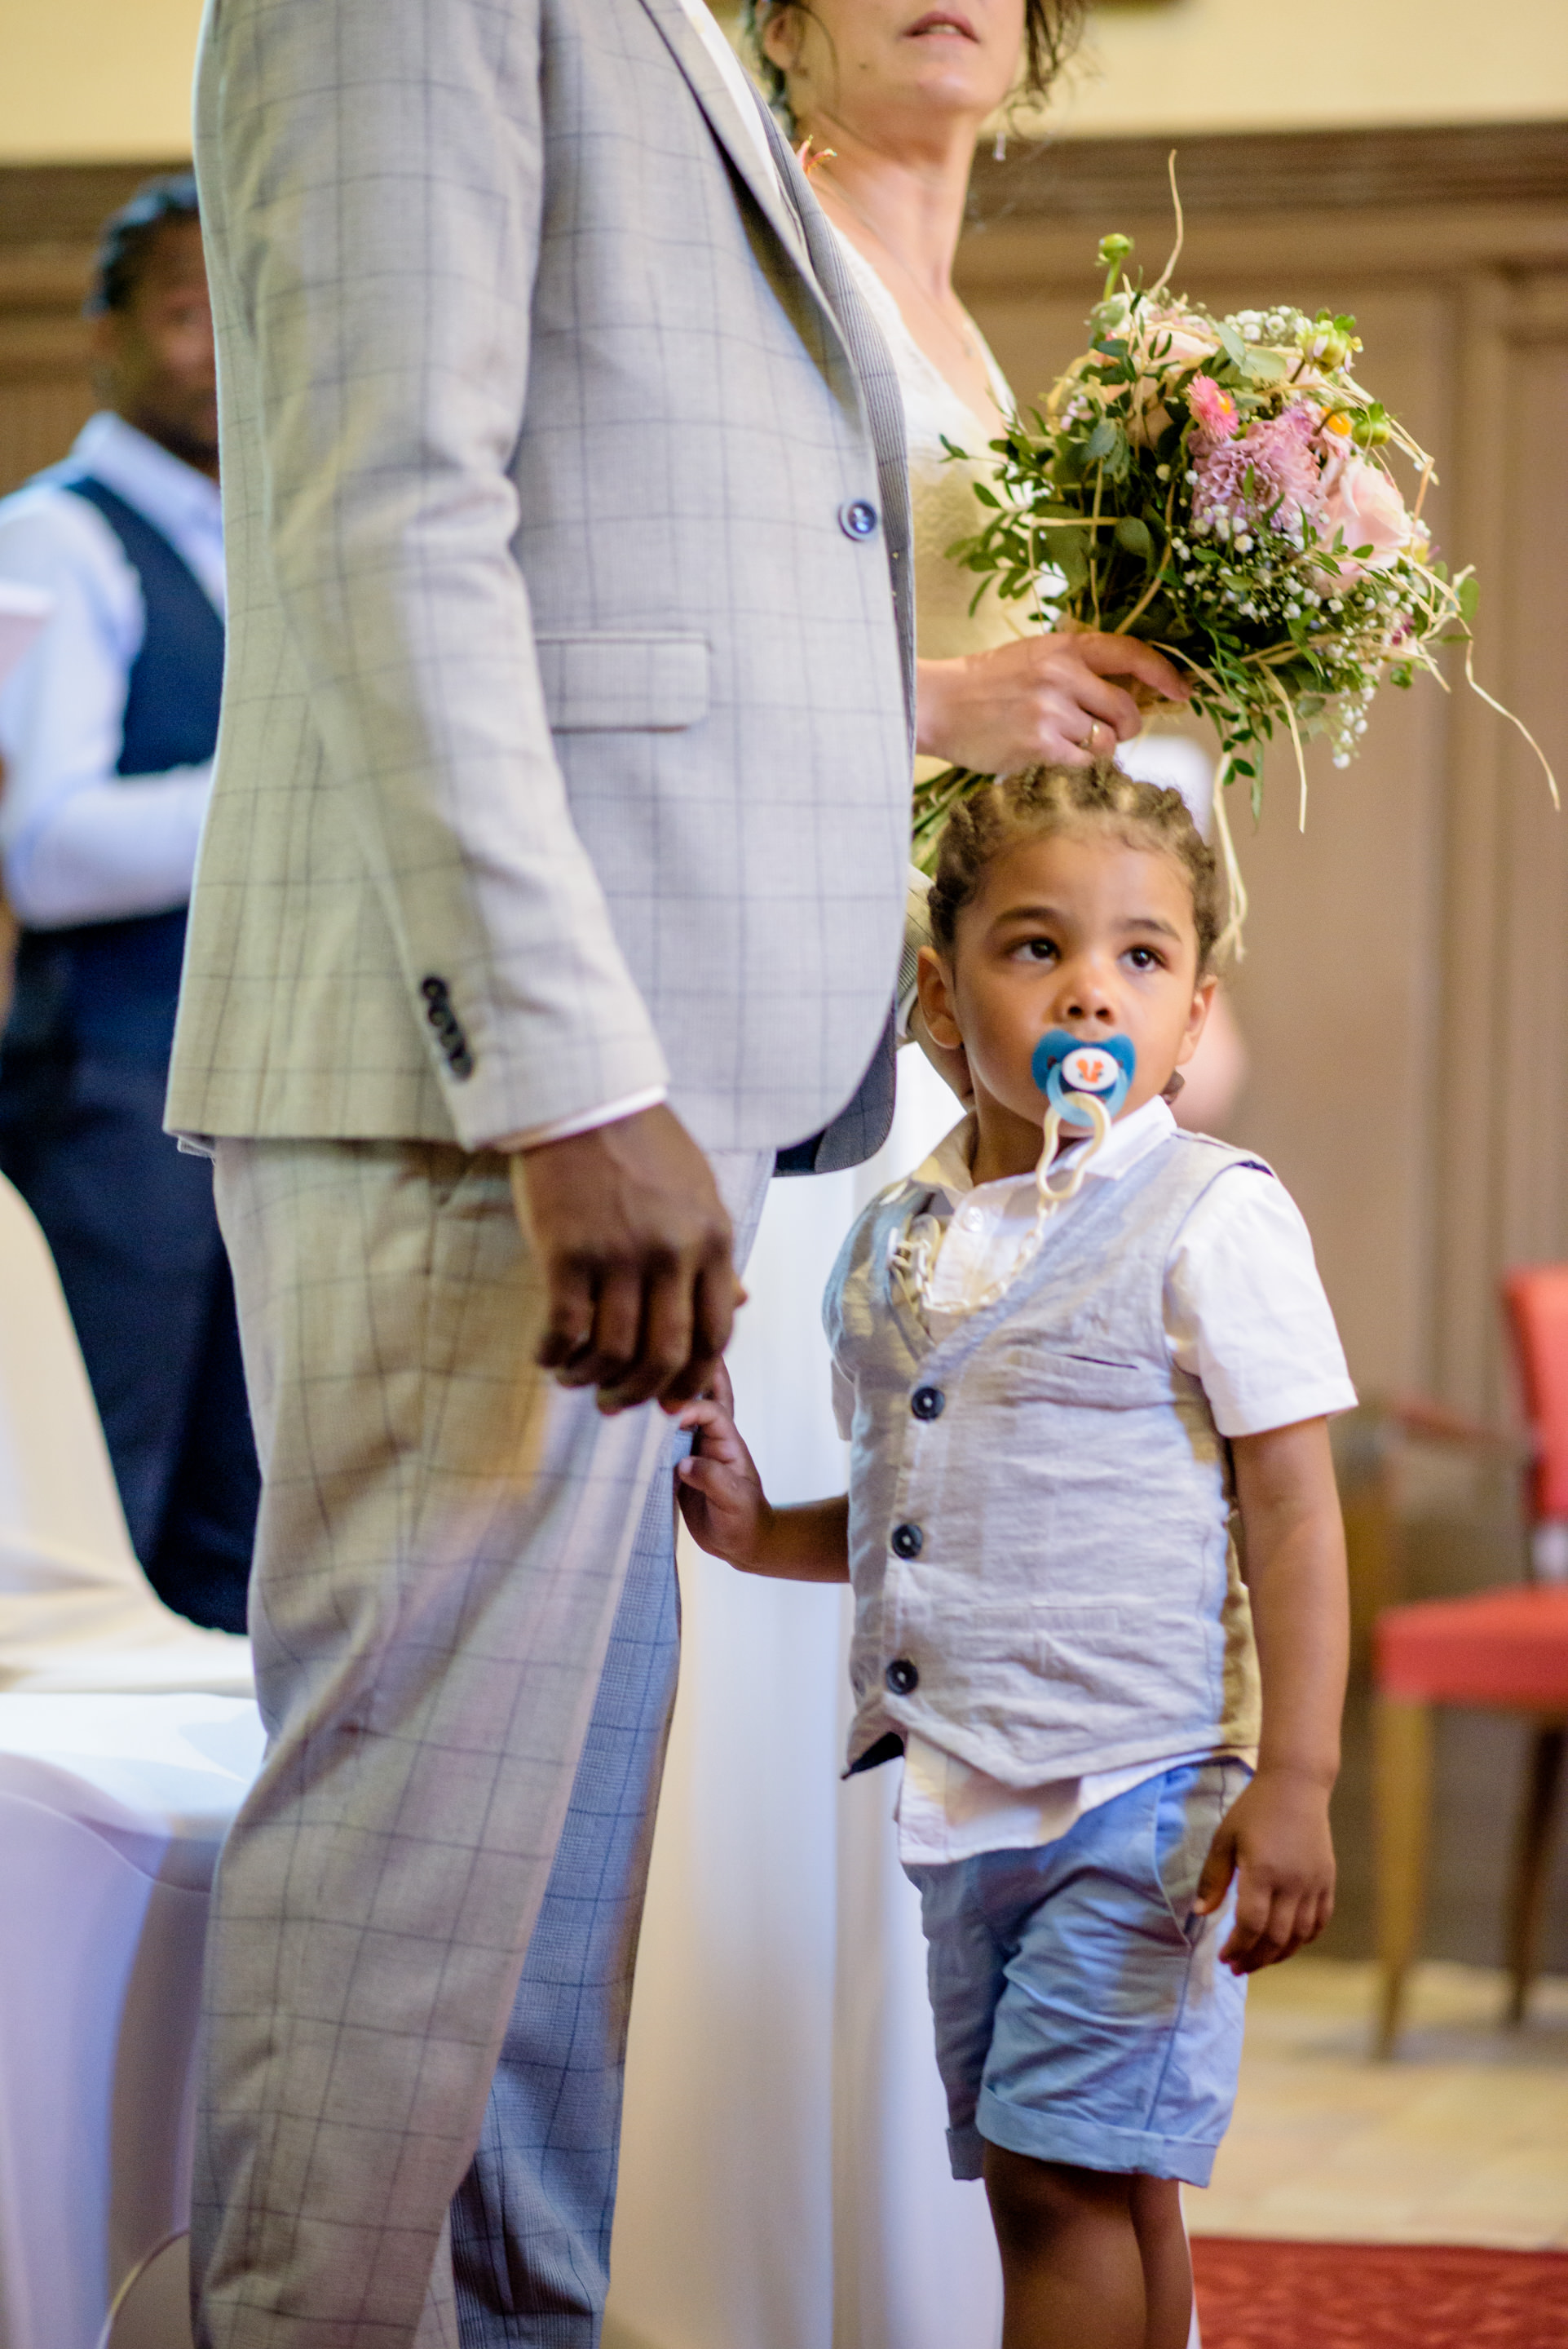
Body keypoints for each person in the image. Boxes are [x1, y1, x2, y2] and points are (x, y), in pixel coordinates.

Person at [170, 2, 921, 2342]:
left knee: (525, 1963)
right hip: (485, 1103)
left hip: (646, 1092)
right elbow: (391, 513)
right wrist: (564, 1080)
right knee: (415, 1912)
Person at [674, 761, 1354, 2349]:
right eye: (1033, 947)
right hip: (968, 1799)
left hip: (1146, 1787)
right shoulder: (897, 1238)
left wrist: (1300, 1778)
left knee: (1054, 2184)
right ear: (935, 991)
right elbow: (929, 1514)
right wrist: (752, 1524)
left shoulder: (1208, 1218)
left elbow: (1293, 1506)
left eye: (1139, 958)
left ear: (1193, 1016)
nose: (1087, 993)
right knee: (1104, 2181)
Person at [0, 174, 258, 1635]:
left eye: (241, 310)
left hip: (241, 1097)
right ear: (101, 332)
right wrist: (293, 786)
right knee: (108, 1496)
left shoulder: (259, 543)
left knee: (241, 1515)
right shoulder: (61, 539)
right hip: (109, 1092)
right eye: (181, 312)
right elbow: (45, 849)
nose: (219, 346)